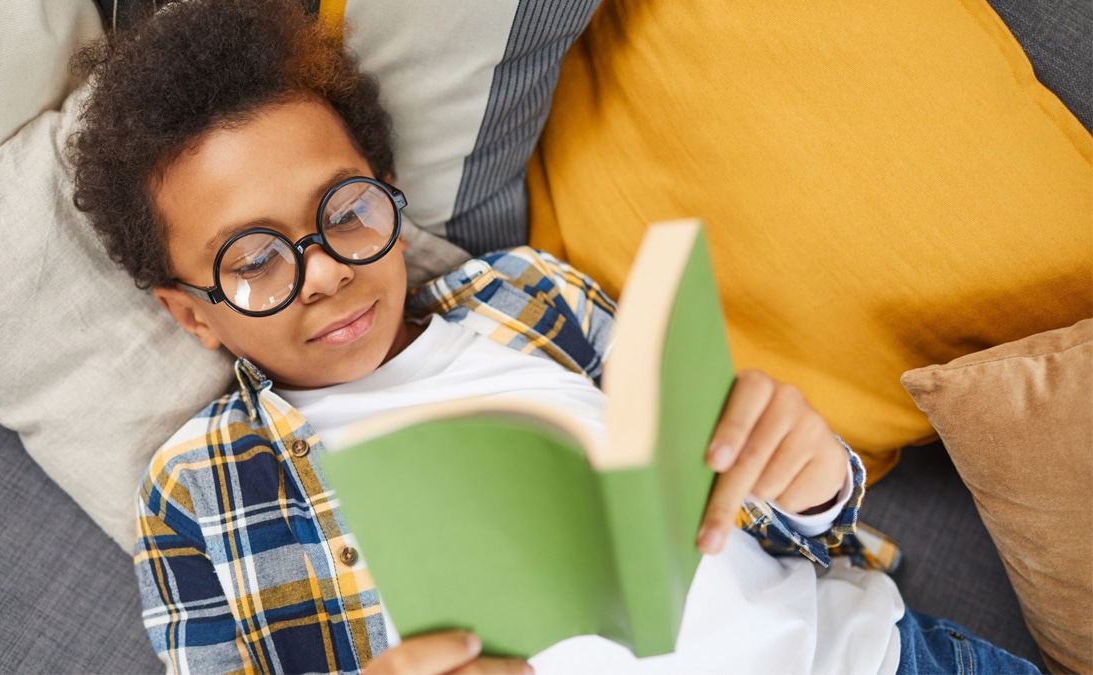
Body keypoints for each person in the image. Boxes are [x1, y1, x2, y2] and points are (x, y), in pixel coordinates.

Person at [69, 1, 1039, 673]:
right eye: (253, 262)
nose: (323, 270)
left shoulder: (535, 298)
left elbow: (793, 527)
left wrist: (813, 473)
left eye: (345, 209)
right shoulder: (195, 492)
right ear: (191, 312)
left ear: (387, 191)